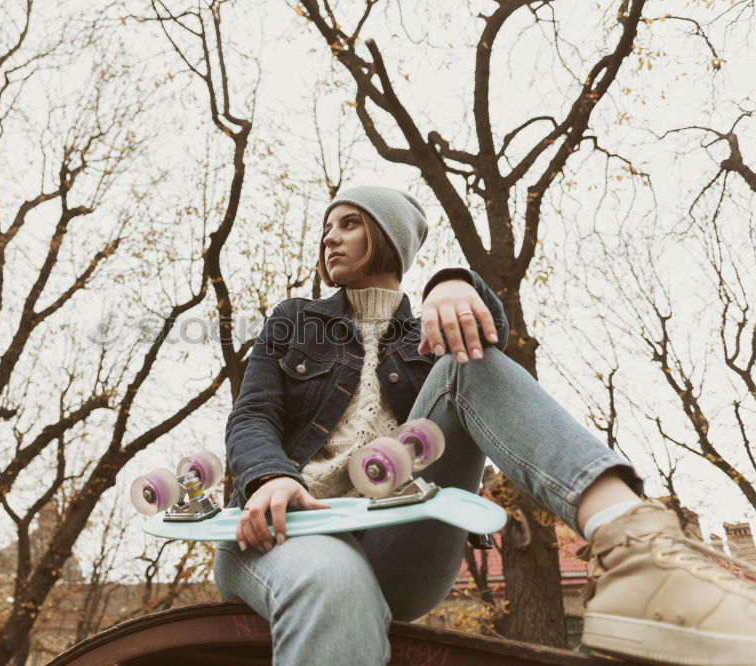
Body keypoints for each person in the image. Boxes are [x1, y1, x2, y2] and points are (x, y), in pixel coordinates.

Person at [212, 185, 756, 665]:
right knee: (333, 582)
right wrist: (268, 476)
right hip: (289, 527)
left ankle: (634, 544)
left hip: (399, 537)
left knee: (468, 360)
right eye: (327, 227)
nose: (330, 238)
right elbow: (253, 415)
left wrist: (455, 283)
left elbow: (490, 340)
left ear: (389, 239)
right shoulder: (294, 320)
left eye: (349, 224)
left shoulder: (422, 332)